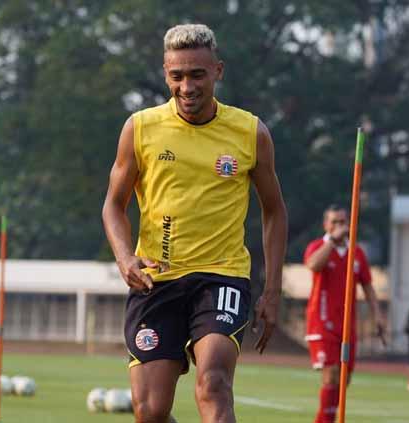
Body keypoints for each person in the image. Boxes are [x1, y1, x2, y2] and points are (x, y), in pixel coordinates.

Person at [102, 23, 287, 423]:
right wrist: (124, 259)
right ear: (166, 74)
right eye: (177, 76)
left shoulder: (251, 132)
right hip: (157, 279)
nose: (187, 86)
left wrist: (272, 291)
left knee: (214, 383)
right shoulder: (140, 128)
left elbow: (273, 210)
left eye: (197, 74)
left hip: (222, 277)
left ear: (218, 71)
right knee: (150, 412)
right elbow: (113, 206)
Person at [303, 204, 386, 423]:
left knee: (343, 379)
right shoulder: (317, 246)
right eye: (335, 222)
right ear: (326, 225)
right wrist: (331, 241)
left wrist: (378, 315)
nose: (340, 227)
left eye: (343, 222)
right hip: (321, 321)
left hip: (347, 325)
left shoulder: (356, 253)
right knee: (330, 375)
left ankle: (327, 419)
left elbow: (367, 286)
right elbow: (313, 265)